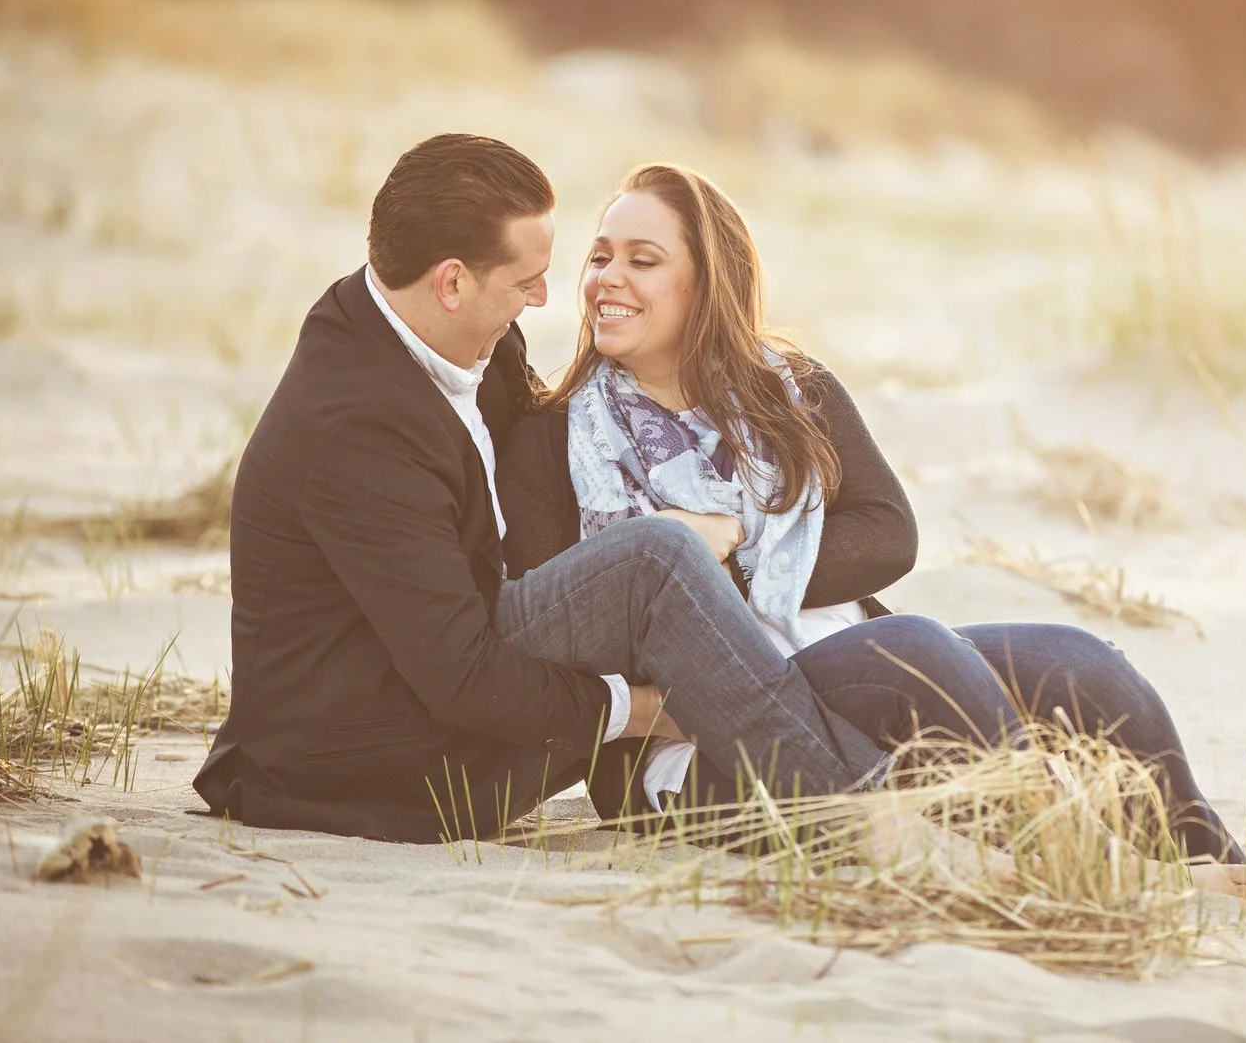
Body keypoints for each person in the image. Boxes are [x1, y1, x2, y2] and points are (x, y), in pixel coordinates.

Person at [496, 163, 1246, 899]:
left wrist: (732, 543)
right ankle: (1081, 867)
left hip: (831, 652)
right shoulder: (552, 436)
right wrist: (697, 575)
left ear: (705, 283)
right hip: (692, 742)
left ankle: (1217, 863)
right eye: (600, 255)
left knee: (1080, 663)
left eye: (644, 260)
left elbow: (887, 532)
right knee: (916, 650)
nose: (609, 276)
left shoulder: (790, 389)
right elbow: (581, 622)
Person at [194, 134, 888, 842]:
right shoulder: (353, 428)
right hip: (372, 756)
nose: (545, 297)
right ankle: (864, 820)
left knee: (930, 651)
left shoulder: (470, 338)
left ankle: (922, 791)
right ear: (453, 282)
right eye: (526, 282)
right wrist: (649, 708)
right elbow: (461, 673)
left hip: (466, 665)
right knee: (655, 556)